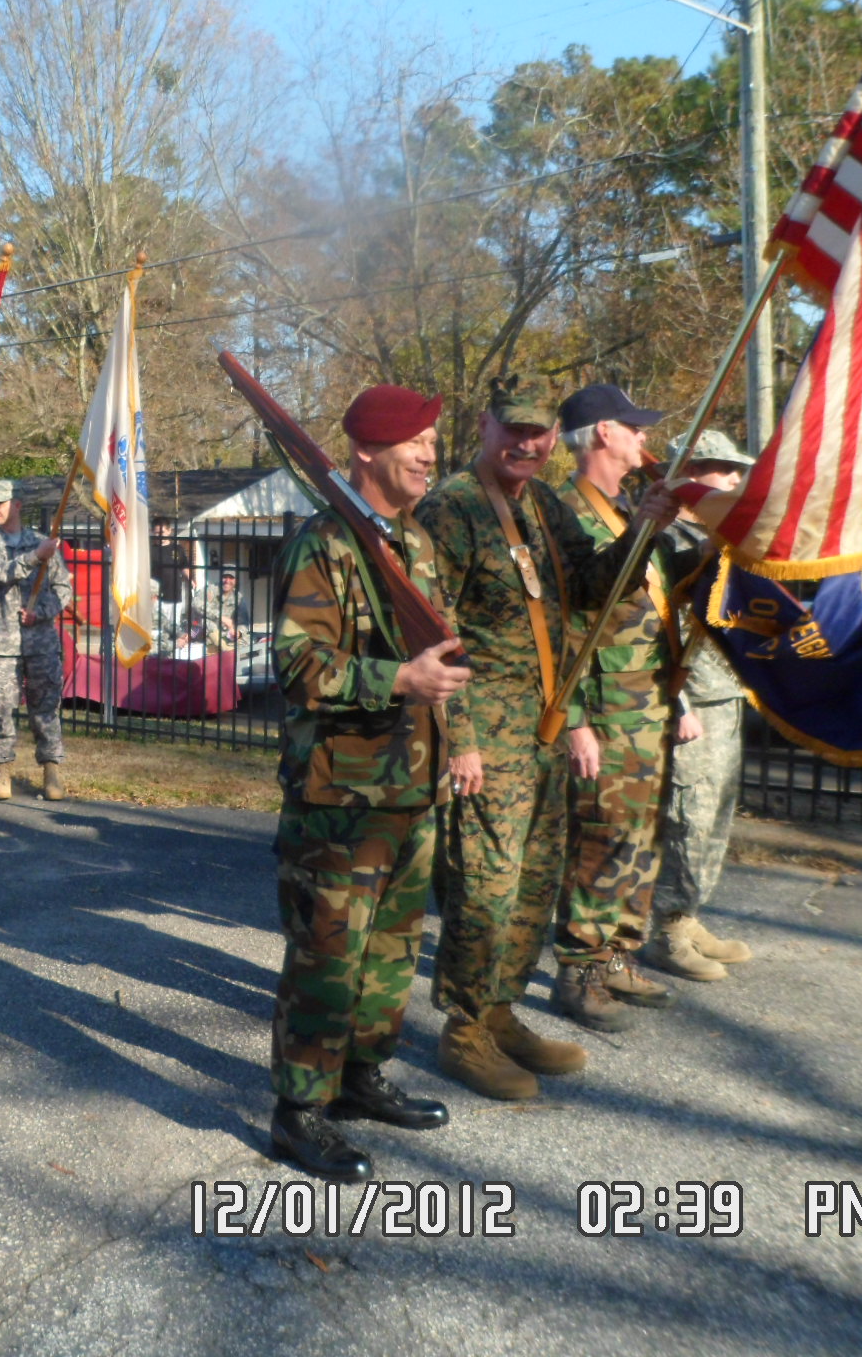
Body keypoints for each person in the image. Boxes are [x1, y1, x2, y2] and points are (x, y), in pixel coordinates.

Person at [415, 373, 678, 1100]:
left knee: (531, 888)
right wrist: (458, 738)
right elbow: (436, 632)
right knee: (484, 890)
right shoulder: (452, 509)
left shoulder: (544, 507)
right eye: (514, 429)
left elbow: (594, 588)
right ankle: (464, 1029)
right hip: (486, 739)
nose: (527, 443)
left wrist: (644, 528)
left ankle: (501, 1014)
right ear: (485, 426)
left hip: (542, 731)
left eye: (538, 432)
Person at [267, 385, 469, 1183]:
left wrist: (461, 743)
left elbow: (448, 662)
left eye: (432, 440)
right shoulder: (324, 544)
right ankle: (300, 1110)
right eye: (415, 440)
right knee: (327, 956)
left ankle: (358, 1079)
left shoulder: (413, 544)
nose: (429, 453)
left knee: (390, 952)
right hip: (340, 797)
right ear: (365, 453)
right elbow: (294, 663)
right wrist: (397, 680)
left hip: (412, 790)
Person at [551, 384, 679, 1031]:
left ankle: (620, 951)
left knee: (640, 836)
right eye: (636, 428)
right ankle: (580, 970)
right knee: (601, 840)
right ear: (604, 433)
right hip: (603, 710)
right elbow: (563, 627)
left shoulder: (626, 508)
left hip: (644, 706)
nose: (645, 440)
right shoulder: (570, 514)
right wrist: (574, 721)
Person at [642, 429, 757, 980]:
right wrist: (679, 700)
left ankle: (688, 917)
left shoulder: (724, 532)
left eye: (738, 470)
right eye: (721, 468)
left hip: (726, 693)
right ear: (689, 473)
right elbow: (655, 629)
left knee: (715, 815)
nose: (734, 479)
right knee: (686, 817)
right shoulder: (667, 537)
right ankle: (665, 929)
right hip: (692, 699)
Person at [0, 479, 74, 802]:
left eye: (0, 503)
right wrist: (34, 558)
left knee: (45, 707)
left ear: (17, 504)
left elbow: (64, 590)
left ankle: (51, 770)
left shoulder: (43, 542)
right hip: (3, 643)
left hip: (41, 641)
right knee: (1, 706)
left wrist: (41, 612)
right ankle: (2, 771)